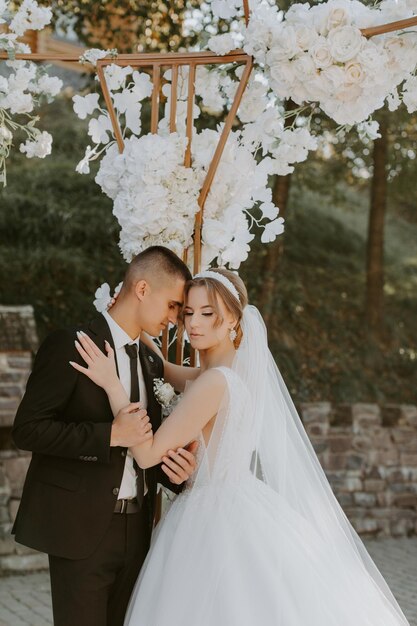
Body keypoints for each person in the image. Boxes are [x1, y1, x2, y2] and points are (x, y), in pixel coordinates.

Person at [71, 268, 410, 626]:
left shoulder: (214, 383)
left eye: (207, 313)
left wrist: (112, 384)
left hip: (209, 516)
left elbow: (146, 453)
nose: (194, 324)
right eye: (188, 313)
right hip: (241, 500)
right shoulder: (229, 371)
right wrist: (131, 326)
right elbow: (164, 367)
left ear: (232, 317)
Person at [12, 246, 199, 626]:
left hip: (139, 530)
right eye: (173, 305)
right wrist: (107, 435)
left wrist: (173, 474)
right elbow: (27, 429)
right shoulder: (71, 343)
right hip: (81, 530)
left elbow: (144, 445)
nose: (175, 318)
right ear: (143, 289)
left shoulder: (149, 360)